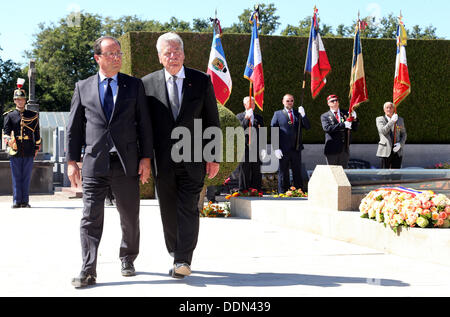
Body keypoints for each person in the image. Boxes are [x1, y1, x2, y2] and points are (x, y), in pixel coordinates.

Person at [66, 36, 153, 288]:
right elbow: (73, 129)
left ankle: (127, 257)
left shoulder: (133, 86)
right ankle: (88, 269)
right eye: (111, 53)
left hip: (126, 162)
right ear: (98, 58)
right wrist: (72, 161)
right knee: (90, 217)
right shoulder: (82, 87)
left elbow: (144, 124)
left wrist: (146, 158)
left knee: (129, 215)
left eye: (119, 53)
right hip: (94, 162)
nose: (117, 57)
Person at [142, 32, 220, 279]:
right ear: (159, 57)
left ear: (184, 54)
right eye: (168, 52)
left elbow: (211, 120)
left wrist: (213, 155)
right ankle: (175, 251)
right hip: (162, 160)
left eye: (177, 51)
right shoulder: (147, 84)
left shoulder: (201, 81)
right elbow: (143, 126)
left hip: (193, 158)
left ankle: (183, 258)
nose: (173, 56)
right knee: (167, 209)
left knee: (188, 207)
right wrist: (143, 159)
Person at [3, 80, 41, 208]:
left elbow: (37, 133)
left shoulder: (33, 115)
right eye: (17, 99)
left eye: (22, 99)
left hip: (29, 149)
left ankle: (25, 201)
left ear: (25, 101)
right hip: (15, 150)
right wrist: (9, 140)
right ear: (14, 101)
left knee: (26, 177)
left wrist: (36, 148)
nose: (20, 101)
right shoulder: (9, 116)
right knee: (16, 177)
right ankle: (16, 200)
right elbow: (6, 132)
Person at [271, 94, 311, 193]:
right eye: (288, 100)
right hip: (283, 149)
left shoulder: (298, 114)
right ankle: (283, 192)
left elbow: (307, 127)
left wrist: (304, 115)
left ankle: (299, 192)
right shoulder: (278, 114)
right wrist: (276, 148)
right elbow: (273, 131)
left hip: (296, 149)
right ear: (283, 102)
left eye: (292, 101)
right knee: (283, 172)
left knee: (297, 171)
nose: (290, 102)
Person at [320, 94, 359, 168]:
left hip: (344, 149)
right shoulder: (325, 116)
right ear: (328, 103)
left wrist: (355, 119)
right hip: (332, 149)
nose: (335, 102)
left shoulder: (345, 113)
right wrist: (343, 125)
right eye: (332, 101)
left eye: (336, 100)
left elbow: (354, 128)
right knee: (333, 173)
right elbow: (327, 128)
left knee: (343, 172)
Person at [236, 96, 264, 192]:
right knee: (244, 171)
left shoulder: (259, 118)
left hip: (256, 149)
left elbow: (262, 134)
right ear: (244, 104)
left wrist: (263, 148)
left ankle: (256, 191)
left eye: (253, 103)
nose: (252, 105)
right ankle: (243, 191)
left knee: (256, 171)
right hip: (244, 149)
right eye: (249, 103)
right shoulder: (239, 117)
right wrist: (246, 118)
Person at [376, 101, 407, 168]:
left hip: (397, 151)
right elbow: (383, 131)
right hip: (385, 150)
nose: (389, 109)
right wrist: (392, 121)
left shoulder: (400, 120)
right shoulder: (380, 119)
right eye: (387, 108)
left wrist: (400, 144)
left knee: (396, 174)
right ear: (384, 110)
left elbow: (404, 134)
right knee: (384, 174)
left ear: (394, 109)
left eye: (391, 107)